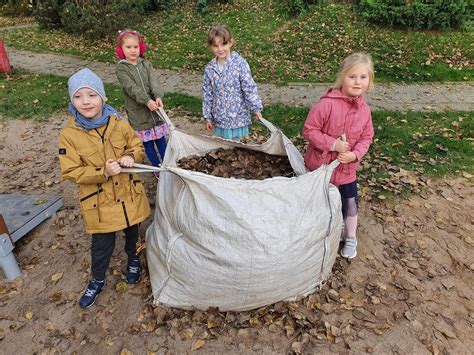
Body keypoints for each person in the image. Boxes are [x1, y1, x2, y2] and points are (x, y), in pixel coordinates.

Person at [59, 68, 151, 308]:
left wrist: (131, 155)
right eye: (78, 96)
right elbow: (70, 171)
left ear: (102, 97)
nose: (86, 102)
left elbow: (136, 144)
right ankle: (97, 279)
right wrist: (102, 172)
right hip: (99, 203)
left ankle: (133, 259)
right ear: (72, 100)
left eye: (91, 95)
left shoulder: (118, 123)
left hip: (128, 196)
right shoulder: (69, 135)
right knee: (101, 245)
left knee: (133, 232)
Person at [303, 53, 375, 259]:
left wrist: (355, 154)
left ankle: (350, 236)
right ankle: (317, 234)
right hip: (321, 168)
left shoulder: (365, 111)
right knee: (318, 203)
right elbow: (309, 130)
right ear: (342, 77)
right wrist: (333, 144)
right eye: (352, 77)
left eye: (363, 77)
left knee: (349, 203)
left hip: (346, 171)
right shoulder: (326, 105)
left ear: (369, 81)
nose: (357, 82)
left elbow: (367, 136)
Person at [115, 29, 168, 168]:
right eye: (128, 47)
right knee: (147, 143)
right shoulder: (121, 69)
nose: (133, 50)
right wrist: (146, 100)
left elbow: (154, 82)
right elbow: (131, 88)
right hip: (138, 112)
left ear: (140, 48)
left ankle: (168, 164)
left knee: (160, 139)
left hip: (155, 110)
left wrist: (157, 96)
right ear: (121, 49)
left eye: (136, 47)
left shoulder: (146, 64)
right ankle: (157, 167)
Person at [202, 24, 263, 141]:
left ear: (230, 42)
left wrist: (256, 108)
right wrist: (208, 117)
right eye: (216, 46)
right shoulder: (210, 68)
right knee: (224, 148)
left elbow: (249, 87)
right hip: (220, 118)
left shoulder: (240, 64)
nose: (220, 49)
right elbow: (207, 94)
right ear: (211, 46)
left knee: (237, 147)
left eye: (223, 44)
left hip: (238, 117)